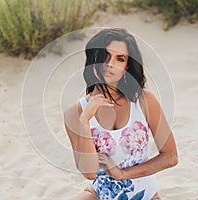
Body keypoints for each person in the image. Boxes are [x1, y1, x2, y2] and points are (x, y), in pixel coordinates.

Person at [63, 28, 178, 200]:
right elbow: (89, 172)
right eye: (105, 55)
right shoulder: (76, 112)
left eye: (120, 59)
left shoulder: (144, 100)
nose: (110, 64)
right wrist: (85, 120)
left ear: (127, 66)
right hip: (99, 195)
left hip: (144, 195)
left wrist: (122, 174)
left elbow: (170, 157)